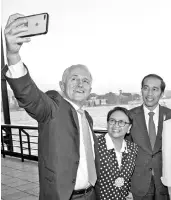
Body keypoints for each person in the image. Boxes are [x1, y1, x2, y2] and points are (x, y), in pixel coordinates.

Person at [4, 14, 100, 200]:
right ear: (62, 85)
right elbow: (30, 97)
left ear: (90, 89)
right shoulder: (53, 107)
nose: (80, 84)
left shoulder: (86, 117)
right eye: (74, 79)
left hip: (92, 194)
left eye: (85, 81)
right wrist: (13, 56)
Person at [125, 74, 171, 200]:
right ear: (141, 90)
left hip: (166, 183)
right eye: (146, 88)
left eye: (155, 89)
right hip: (137, 184)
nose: (149, 93)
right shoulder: (129, 116)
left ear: (162, 93)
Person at [97, 107, 138, 200]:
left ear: (129, 127)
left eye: (121, 122)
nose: (116, 125)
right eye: (112, 121)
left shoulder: (133, 148)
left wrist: (132, 191)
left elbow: (132, 177)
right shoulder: (94, 145)